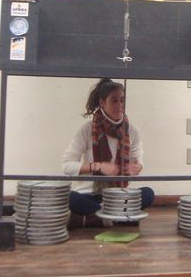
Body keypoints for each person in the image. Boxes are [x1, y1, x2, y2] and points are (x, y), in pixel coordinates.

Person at [62, 78, 154, 229]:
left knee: (148, 194)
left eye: (122, 100)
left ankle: (98, 216)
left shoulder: (132, 131)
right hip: (90, 195)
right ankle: (118, 215)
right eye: (114, 100)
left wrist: (137, 167)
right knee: (69, 197)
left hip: (118, 195)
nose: (119, 105)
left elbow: (138, 162)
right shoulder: (86, 129)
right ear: (102, 103)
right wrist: (97, 166)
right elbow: (66, 166)